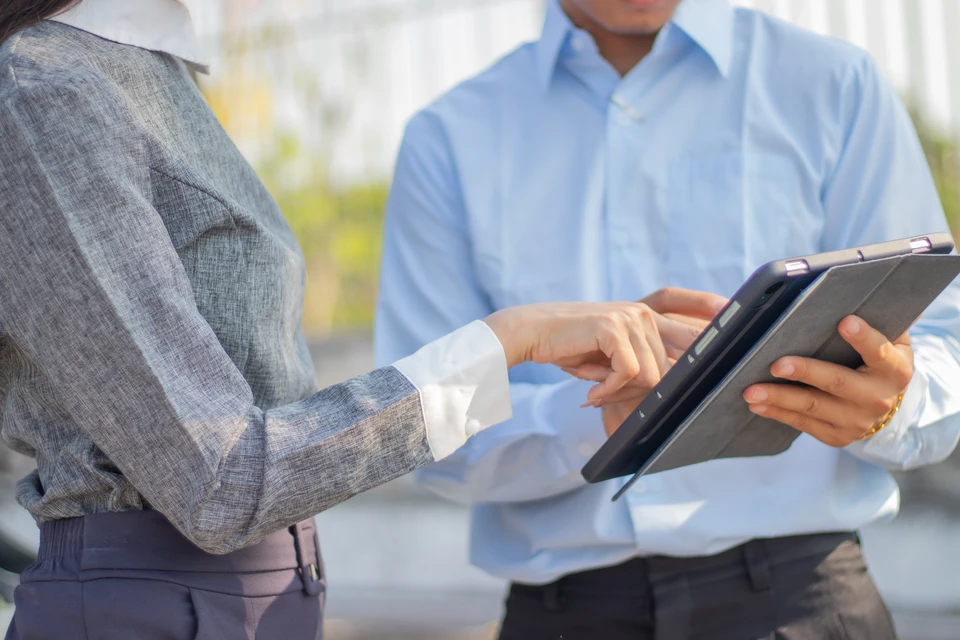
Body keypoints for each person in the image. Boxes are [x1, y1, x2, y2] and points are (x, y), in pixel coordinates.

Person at [0, 1, 711, 637]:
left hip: (249, 595)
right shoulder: (49, 89)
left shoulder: (138, 66)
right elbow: (219, 483)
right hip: (151, 605)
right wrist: (506, 343)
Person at [375, 0, 960, 638]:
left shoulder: (834, 85)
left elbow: (942, 345)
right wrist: (604, 423)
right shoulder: (449, 137)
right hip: (566, 616)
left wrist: (893, 403)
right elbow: (422, 435)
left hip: (802, 602)